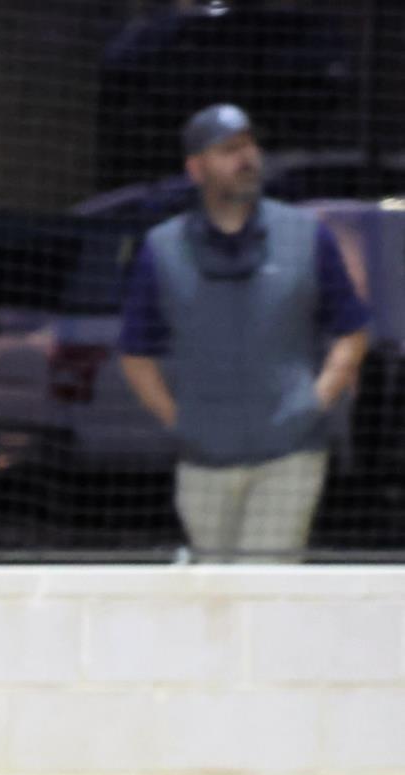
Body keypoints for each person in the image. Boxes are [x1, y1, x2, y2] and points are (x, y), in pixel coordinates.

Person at [117, 103, 370, 560]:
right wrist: (182, 421)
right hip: (203, 459)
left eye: (250, 144)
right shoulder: (163, 249)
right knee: (215, 589)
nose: (246, 157)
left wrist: (312, 403)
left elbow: (352, 330)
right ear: (196, 168)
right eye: (228, 149)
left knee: (264, 580)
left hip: (289, 455)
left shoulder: (307, 235)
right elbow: (135, 352)